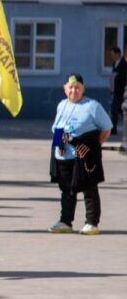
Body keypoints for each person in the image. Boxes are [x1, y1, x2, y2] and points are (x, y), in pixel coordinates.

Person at [48, 73, 111, 235]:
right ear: (65, 89)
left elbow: (106, 128)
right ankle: (65, 221)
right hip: (63, 156)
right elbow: (57, 128)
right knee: (66, 189)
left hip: (82, 156)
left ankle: (92, 223)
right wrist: (59, 144)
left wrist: (94, 147)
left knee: (89, 188)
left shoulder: (92, 106)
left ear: (83, 89)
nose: (74, 91)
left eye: (77, 88)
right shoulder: (61, 105)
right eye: (71, 87)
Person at [109, 47, 125, 135]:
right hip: (115, 90)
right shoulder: (115, 63)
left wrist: (116, 77)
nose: (112, 56)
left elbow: (124, 78)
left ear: (118, 54)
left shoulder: (123, 64)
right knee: (119, 110)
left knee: (114, 109)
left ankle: (114, 129)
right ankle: (114, 128)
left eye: (113, 54)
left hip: (120, 91)